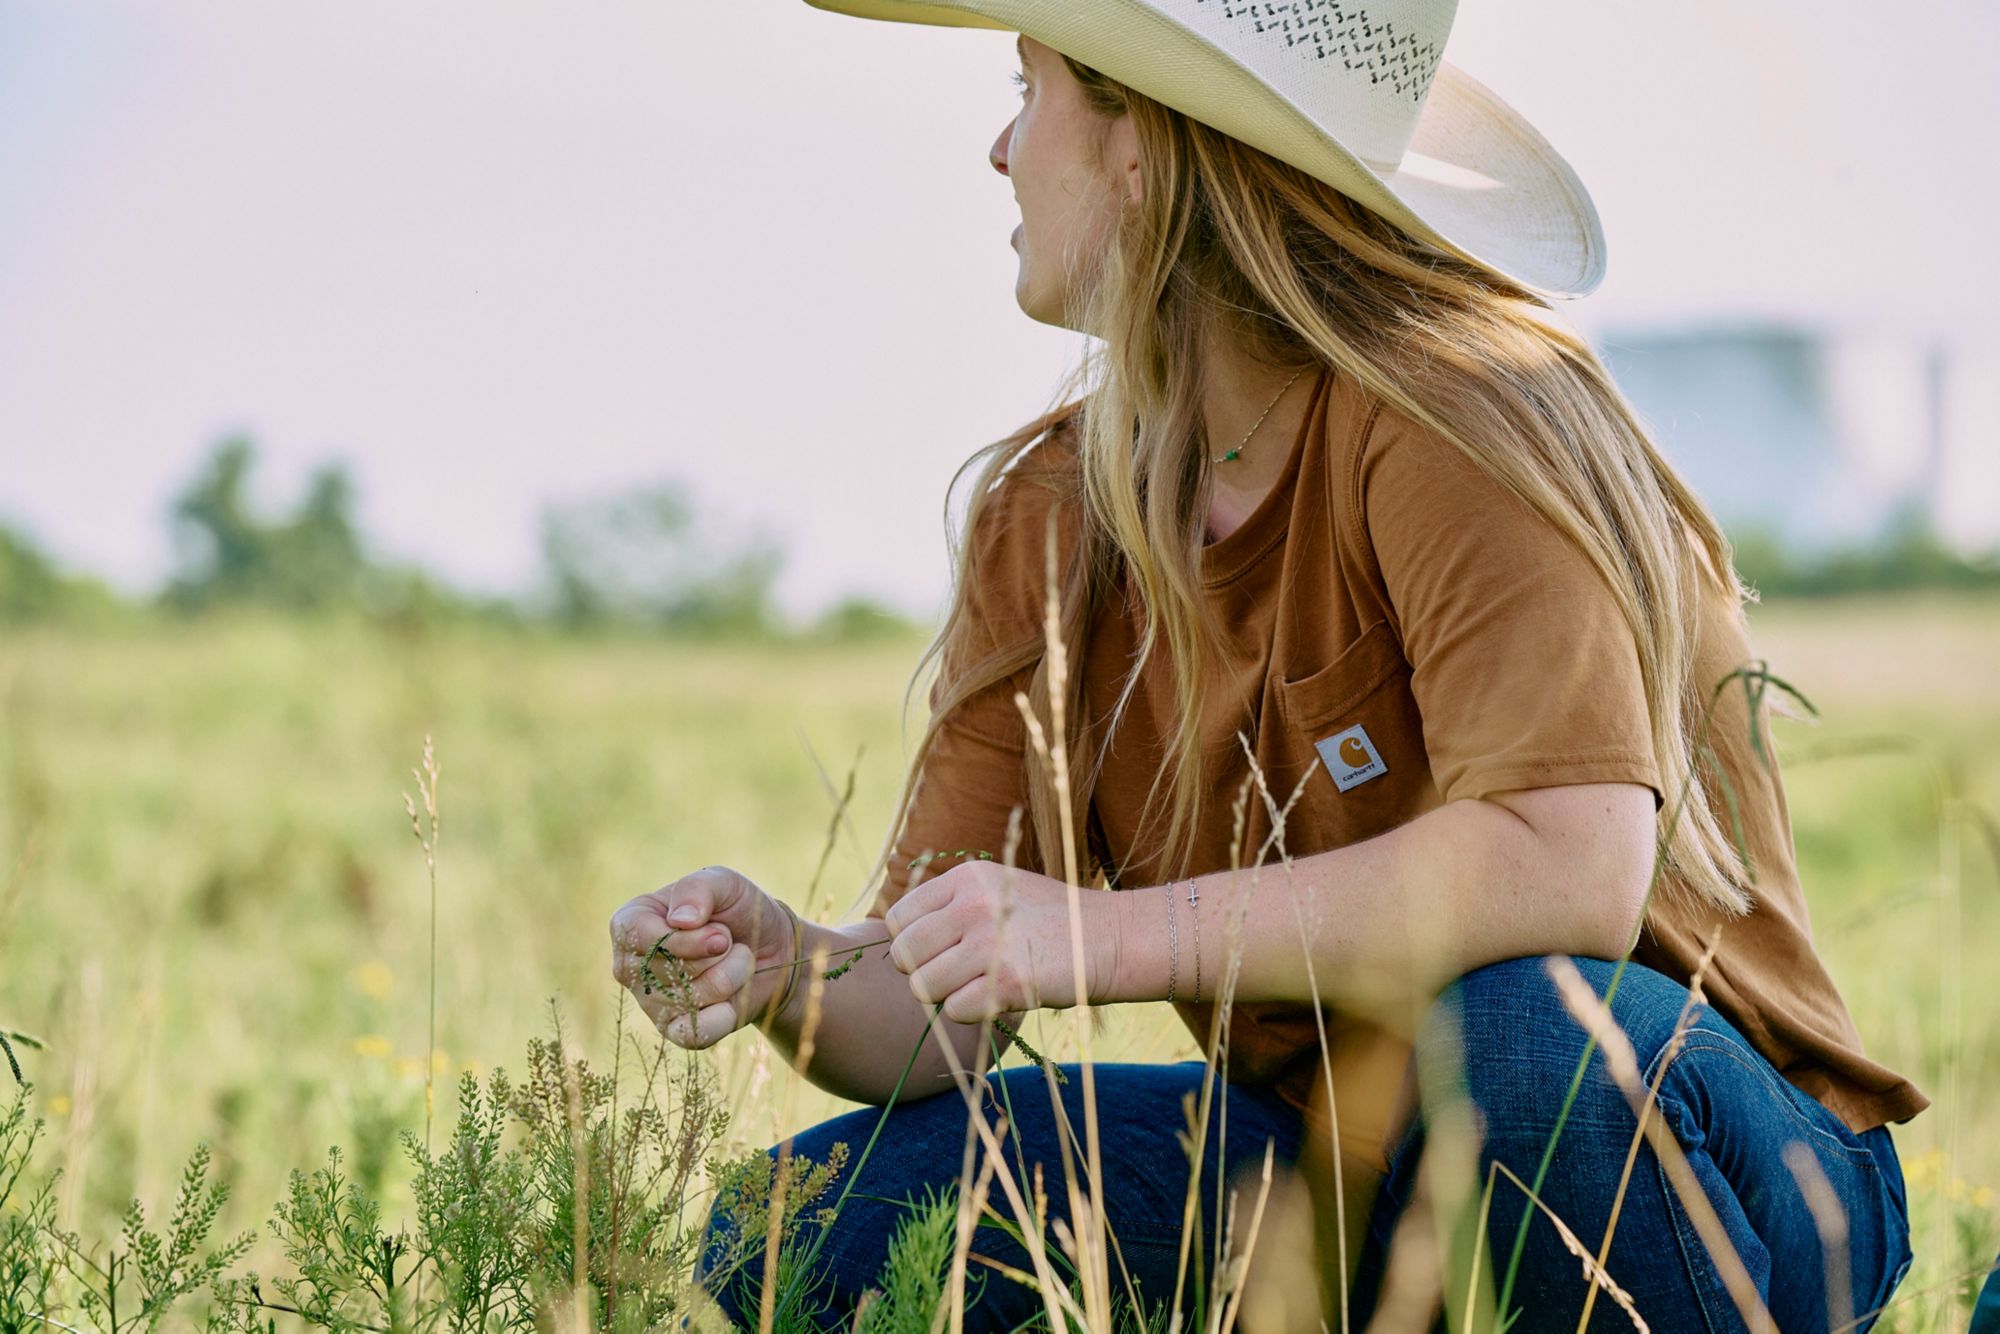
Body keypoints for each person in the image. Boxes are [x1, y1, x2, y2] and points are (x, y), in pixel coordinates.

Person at [610, 3, 1925, 1328]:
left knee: (1531, 1043)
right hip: (1330, 1160)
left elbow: (1567, 864)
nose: (1001, 150)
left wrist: (1091, 935)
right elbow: (935, 1004)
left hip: (1712, 1166)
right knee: (803, 1230)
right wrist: (794, 971)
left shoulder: (1461, 415)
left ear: (1147, 145)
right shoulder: (1053, 506)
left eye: (1032, 85)